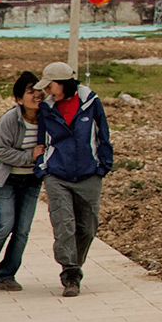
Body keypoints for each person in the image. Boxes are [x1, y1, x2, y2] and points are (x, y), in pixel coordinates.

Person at [38, 60, 112, 297]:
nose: (47, 91)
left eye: (50, 86)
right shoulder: (47, 108)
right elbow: (42, 139)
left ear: (64, 84)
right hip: (57, 175)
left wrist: (103, 166)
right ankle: (70, 274)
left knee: (87, 228)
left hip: (89, 174)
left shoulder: (91, 103)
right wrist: (43, 168)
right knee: (64, 225)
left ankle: (75, 265)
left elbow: (103, 135)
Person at [0, 72, 44, 291]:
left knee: (22, 230)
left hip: (31, 180)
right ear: (19, 99)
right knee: (4, 225)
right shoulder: (10, 119)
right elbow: (1, 151)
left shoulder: (47, 118)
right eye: (29, 92)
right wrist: (29, 156)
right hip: (6, 179)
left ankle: (6, 275)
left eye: (38, 90)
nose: (36, 95)